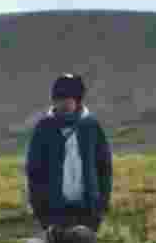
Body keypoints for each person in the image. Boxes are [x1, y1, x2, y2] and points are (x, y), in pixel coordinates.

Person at [25, 73, 113, 233]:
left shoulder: (91, 127)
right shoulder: (44, 128)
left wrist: (101, 207)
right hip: (54, 213)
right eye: (59, 99)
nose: (63, 103)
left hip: (88, 211)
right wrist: (40, 211)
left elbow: (104, 168)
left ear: (78, 100)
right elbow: (34, 171)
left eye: (68, 98)